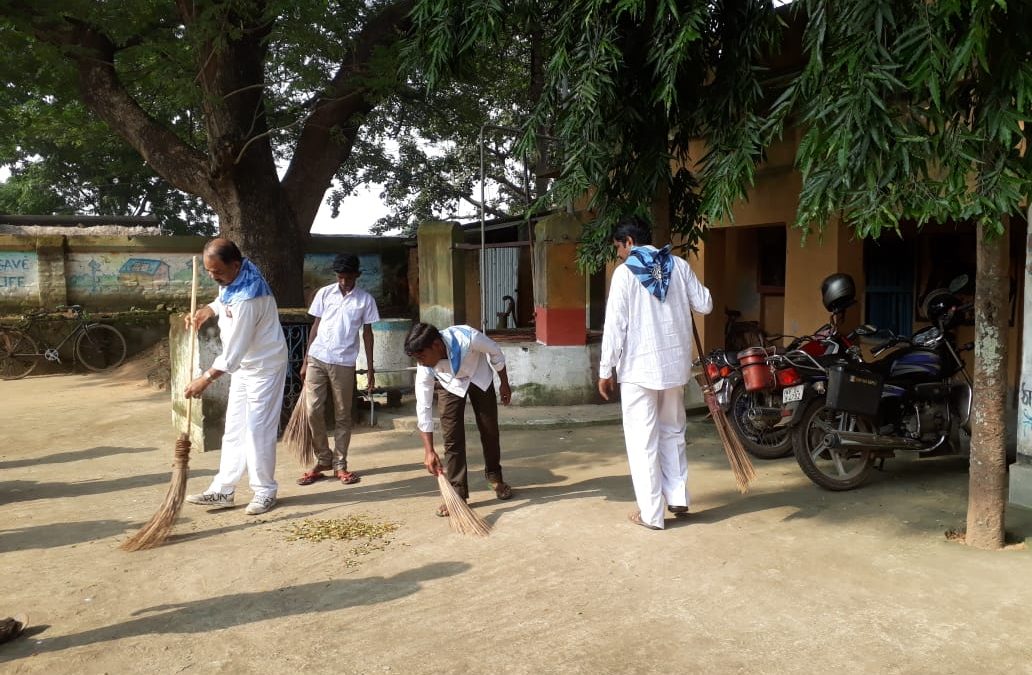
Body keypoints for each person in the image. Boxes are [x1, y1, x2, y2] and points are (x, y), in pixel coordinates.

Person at [598, 216, 713, 530]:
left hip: (638, 369)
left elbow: (614, 327)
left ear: (629, 242)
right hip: (674, 367)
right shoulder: (678, 265)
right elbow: (705, 305)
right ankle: (678, 497)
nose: (620, 256)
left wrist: (605, 368)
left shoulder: (624, 275)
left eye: (619, 249)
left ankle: (651, 514)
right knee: (673, 432)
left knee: (642, 441)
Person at [184, 238, 288, 516]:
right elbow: (223, 299)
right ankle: (223, 489)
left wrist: (205, 379)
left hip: (264, 367)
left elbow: (233, 355)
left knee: (257, 431)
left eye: (217, 271)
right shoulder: (236, 278)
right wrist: (208, 310)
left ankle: (265, 491)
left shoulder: (250, 298)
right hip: (245, 367)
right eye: (208, 271)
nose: (213, 276)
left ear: (235, 265)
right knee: (234, 427)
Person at [404, 322, 514, 516]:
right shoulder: (425, 368)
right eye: (417, 359)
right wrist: (429, 451)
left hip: (479, 377)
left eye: (422, 357)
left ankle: (495, 478)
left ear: (437, 345)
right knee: (452, 438)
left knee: (489, 431)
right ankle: (458, 492)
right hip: (450, 385)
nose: (420, 363)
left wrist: (504, 384)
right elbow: (423, 407)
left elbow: (495, 352)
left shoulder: (468, 337)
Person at [296, 253, 380, 486]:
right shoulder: (324, 293)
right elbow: (315, 326)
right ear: (336, 276)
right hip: (317, 357)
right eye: (341, 277)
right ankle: (323, 458)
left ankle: (340, 464)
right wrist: (305, 360)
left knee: (343, 414)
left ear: (357, 275)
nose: (344, 281)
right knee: (312, 410)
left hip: (344, 361)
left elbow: (368, 334)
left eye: (348, 277)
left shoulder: (365, 300)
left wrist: (370, 369)